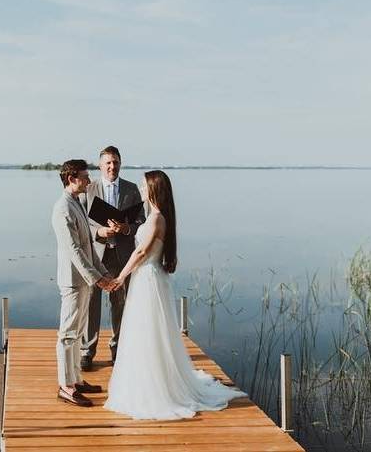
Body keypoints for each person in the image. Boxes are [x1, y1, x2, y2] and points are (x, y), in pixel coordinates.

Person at [104, 170, 247, 419]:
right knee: (144, 332)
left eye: (144, 185)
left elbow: (141, 253)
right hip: (146, 278)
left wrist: (121, 276)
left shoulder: (158, 218)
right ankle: (145, 380)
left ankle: (157, 388)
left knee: (149, 332)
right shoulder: (154, 217)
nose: (140, 188)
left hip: (148, 279)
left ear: (153, 190)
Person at [51, 159, 118, 407]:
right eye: (85, 176)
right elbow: (73, 250)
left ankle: (76, 379)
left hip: (84, 279)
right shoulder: (62, 208)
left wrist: (103, 273)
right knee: (67, 335)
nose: (89, 181)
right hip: (72, 281)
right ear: (71, 178)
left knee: (77, 334)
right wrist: (98, 279)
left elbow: (89, 246)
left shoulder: (77, 203)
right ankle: (66, 387)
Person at [79, 145, 145, 370]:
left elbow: (141, 223)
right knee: (91, 303)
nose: (112, 166)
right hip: (96, 255)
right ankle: (87, 351)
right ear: (100, 165)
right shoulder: (89, 189)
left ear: (120, 164)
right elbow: (81, 225)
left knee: (120, 304)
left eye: (115, 162)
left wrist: (126, 228)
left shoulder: (131, 189)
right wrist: (99, 232)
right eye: (107, 163)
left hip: (122, 256)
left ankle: (119, 349)